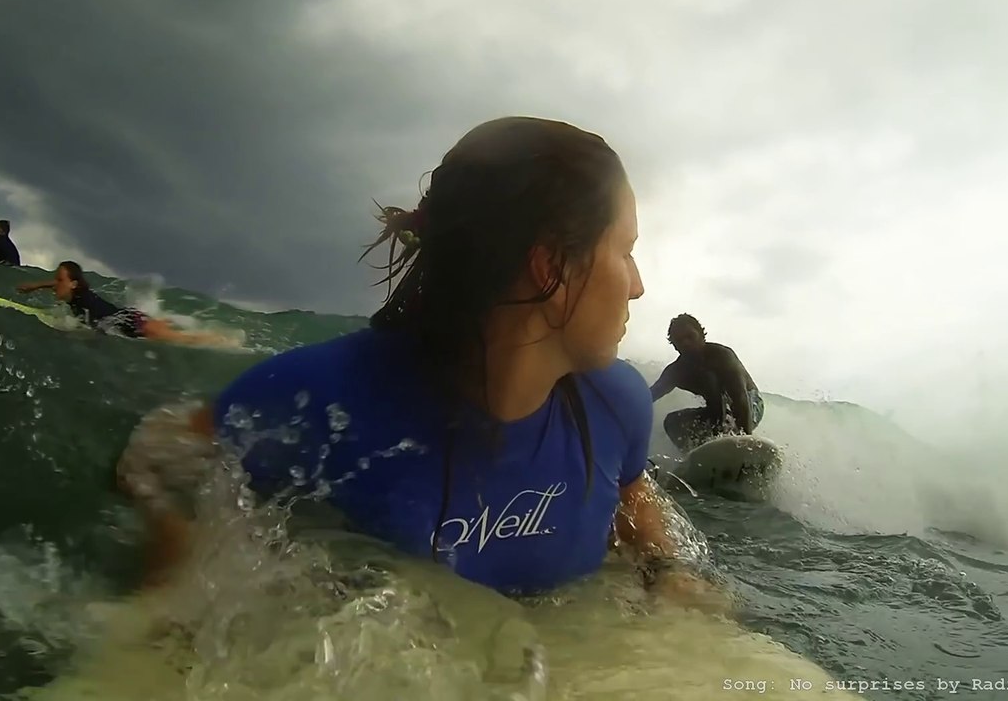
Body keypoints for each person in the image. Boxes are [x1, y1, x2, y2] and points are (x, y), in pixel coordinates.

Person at [113, 116, 726, 610]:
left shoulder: (614, 403)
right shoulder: (325, 396)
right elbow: (163, 459)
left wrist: (666, 571)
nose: (639, 286)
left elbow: (631, 493)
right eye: (625, 251)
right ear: (552, 266)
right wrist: (182, 579)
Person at [15, 261, 232, 347]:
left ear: (72, 284)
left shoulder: (82, 301)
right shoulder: (75, 293)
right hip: (131, 318)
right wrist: (35, 285)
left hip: (131, 323)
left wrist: (69, 334)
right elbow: (58, 282)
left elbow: (98, 329)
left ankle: (222, 341)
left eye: (59, 280)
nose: (55, 286)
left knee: (182, 340)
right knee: (174, 333)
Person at [650, 313, 763, 453]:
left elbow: (740, 398)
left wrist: (746, 443)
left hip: (750, 402)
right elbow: (649, 396)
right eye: (679, 340)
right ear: (674, 346)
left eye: (690, 336)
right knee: (672, 421)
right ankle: (694, 454)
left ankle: (732, 443)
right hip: (717, 411)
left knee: (710, 379)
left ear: (702, 335)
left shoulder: (722, 356)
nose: (685, 343)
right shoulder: (676, 371)